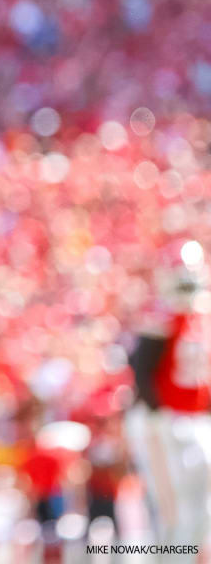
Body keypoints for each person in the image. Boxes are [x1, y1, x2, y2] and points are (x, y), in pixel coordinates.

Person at [124, 239, 211, 561]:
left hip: (195, 419)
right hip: (162, 421)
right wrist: (159, 414)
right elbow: (141, 369)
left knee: (202, 509)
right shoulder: (160, 316)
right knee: (173, 511)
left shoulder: (201, 315)